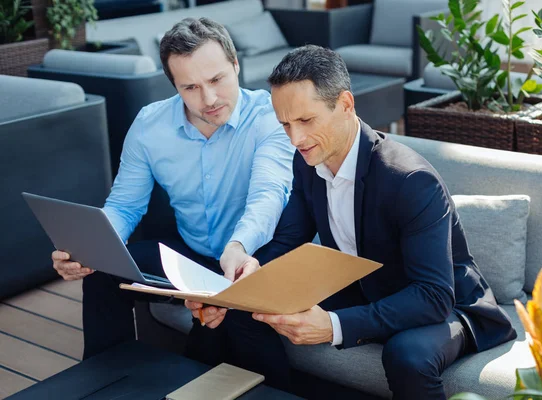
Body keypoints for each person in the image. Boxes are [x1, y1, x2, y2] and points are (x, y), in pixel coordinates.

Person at [188, 44, 517, 398]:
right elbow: (287, 240)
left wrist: (333, 326)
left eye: (305, 120)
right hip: (364, 287)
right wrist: (233, 294)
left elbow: (434, 295)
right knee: (246, 313)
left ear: (345, 105)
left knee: (407, 356)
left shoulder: (410, 180)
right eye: (285, 124)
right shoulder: (308, 161)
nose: (295, 138)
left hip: (447, 306)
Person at [49, 17, 294, 360]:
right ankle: (107, 382)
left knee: (225, 334)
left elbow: (268, 194)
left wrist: (239, 245)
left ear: (235, 64)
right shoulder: (150, 126)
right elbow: (124, 205)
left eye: (216, 79)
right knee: (102, 271)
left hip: (253, 257)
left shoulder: (270, 118)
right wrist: (87, 248)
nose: (208, 98)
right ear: (174, 85)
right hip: (190, 258)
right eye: (190, 87)